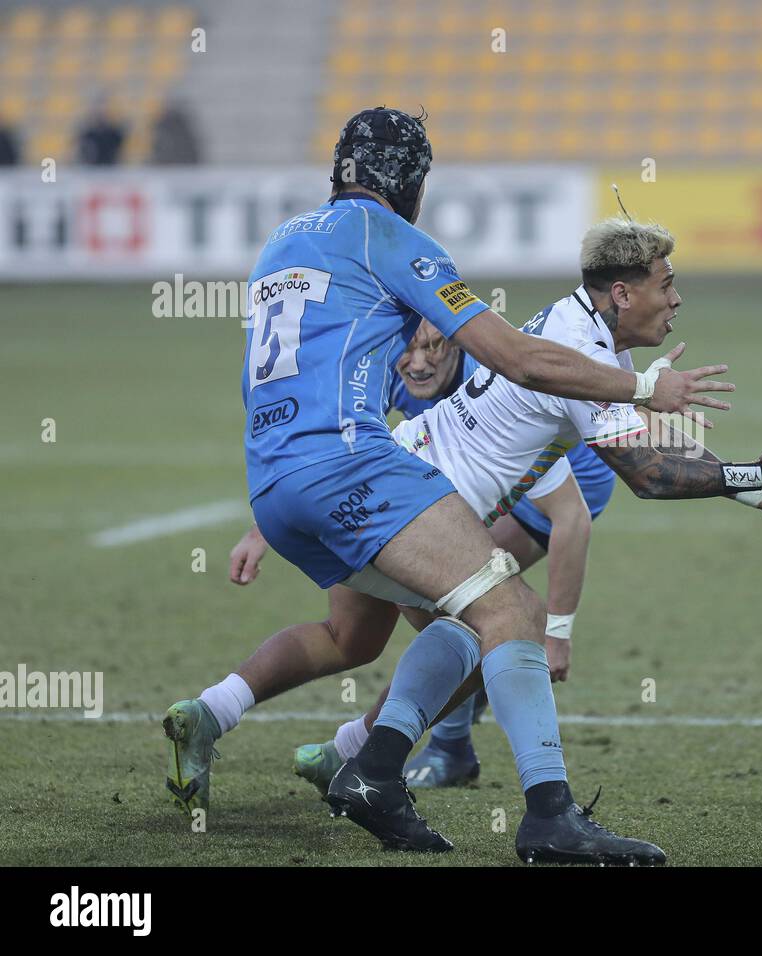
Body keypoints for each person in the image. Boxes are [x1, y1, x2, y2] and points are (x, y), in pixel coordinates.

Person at [162, 107, 733, 866]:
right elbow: (516, 357)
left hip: (272, 479)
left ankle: (360, 765)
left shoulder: (282, 242)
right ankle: (545, 819)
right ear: (412, 182)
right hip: (349, 464)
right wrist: (642, 392)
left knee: (401, 629)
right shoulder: (394, 238)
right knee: (514, 610)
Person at [229, 319, 612, 789]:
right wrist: (263, 529)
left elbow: (571, 516)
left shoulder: (491, 372)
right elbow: (337, 455)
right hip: (464, 472)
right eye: (407, 348)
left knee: (478, 614)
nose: (418, 361)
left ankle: (442, 749)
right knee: (420, 605)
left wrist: (558, 630)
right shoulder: (395, 367)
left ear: (457, 341)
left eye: (434, 346)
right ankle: (371, 747)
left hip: (552, 479)